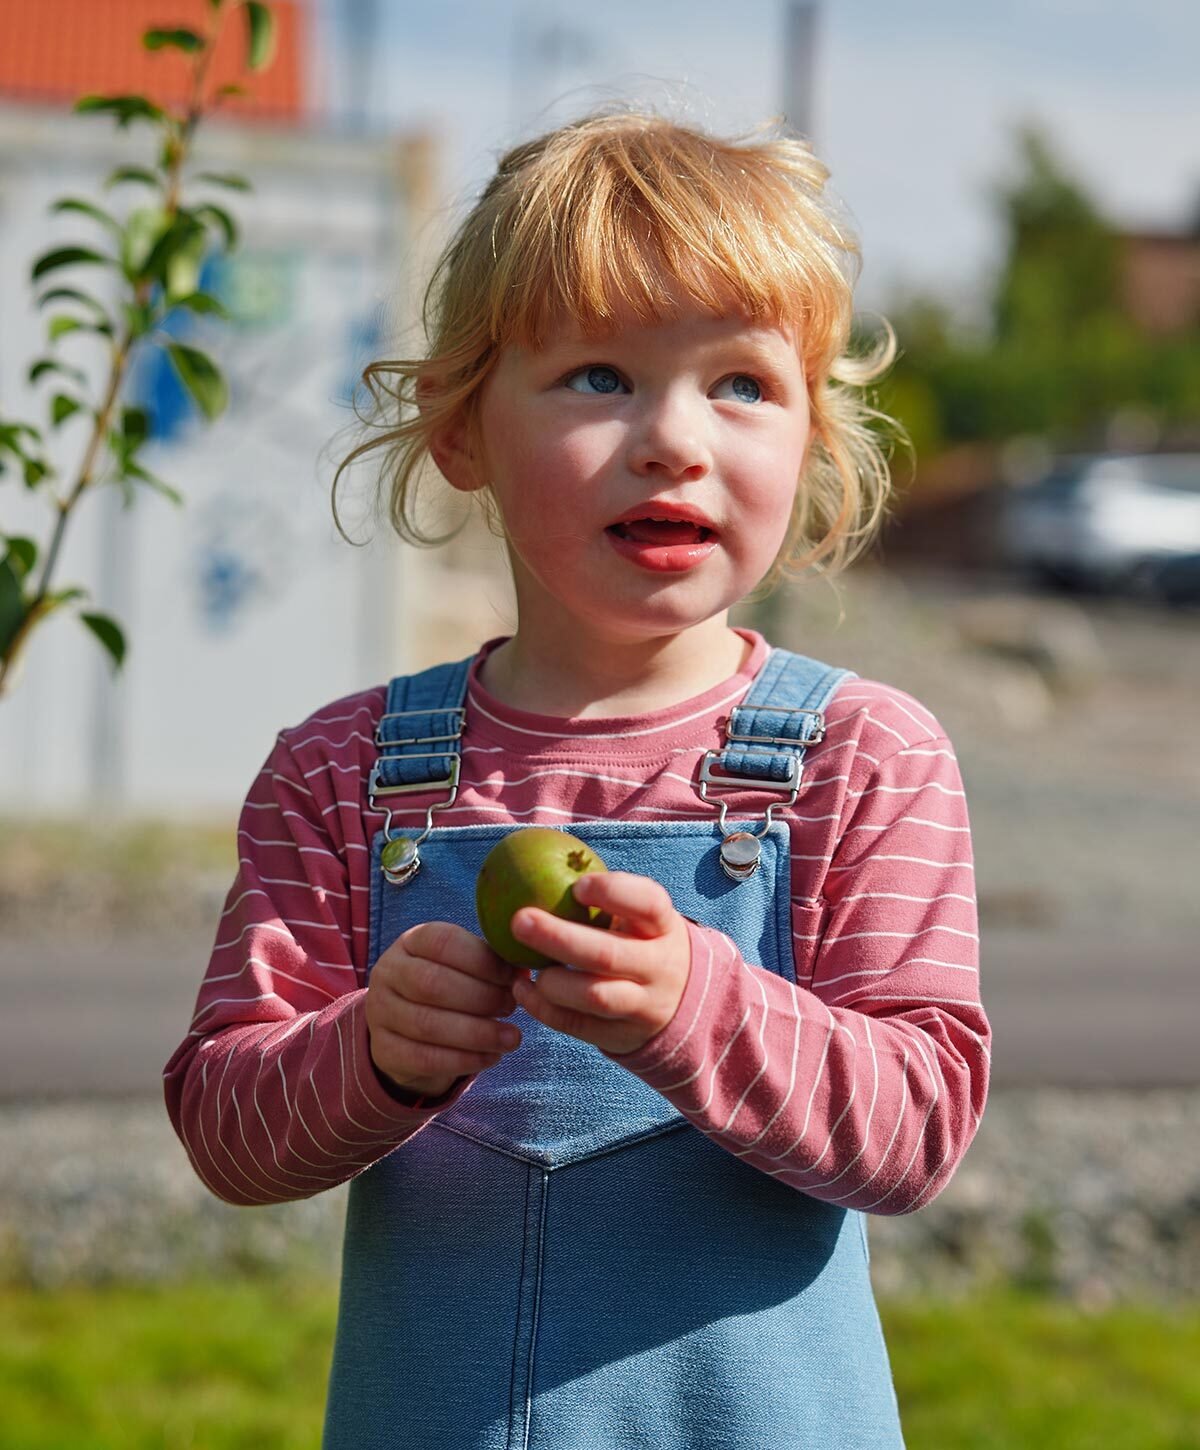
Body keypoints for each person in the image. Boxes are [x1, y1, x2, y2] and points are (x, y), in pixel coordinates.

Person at [164, 108, 990, 1449]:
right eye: (600, 376)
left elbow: (918, 1128)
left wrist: (697, 1004)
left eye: (742, 383)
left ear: (810, 438)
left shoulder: (862, 756)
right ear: (461, 429)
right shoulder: (344, 773)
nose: (673, 438)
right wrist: (367, 1050)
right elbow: (224, 1129)